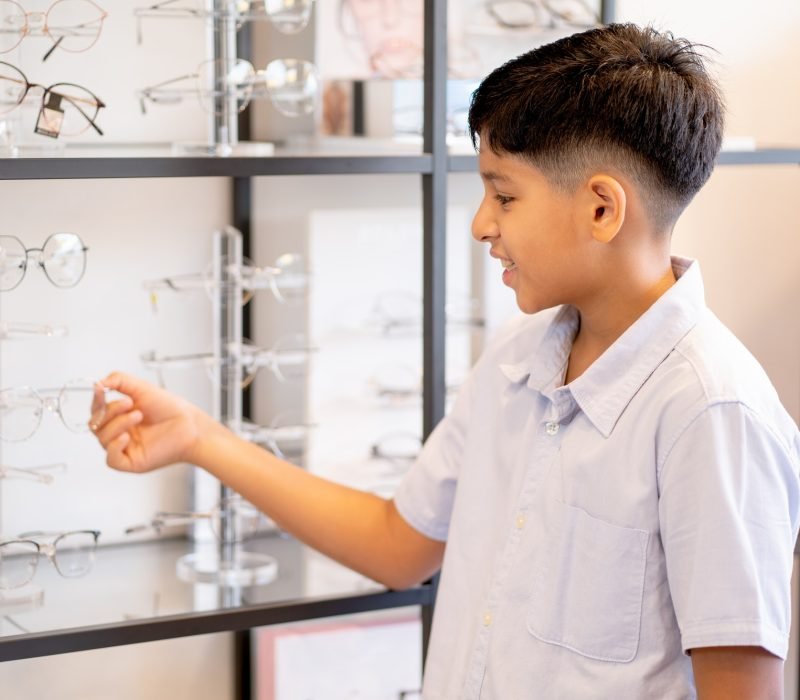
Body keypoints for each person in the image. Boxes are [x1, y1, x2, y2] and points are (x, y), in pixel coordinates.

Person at [90, 23, 800, 699]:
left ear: (602, 210)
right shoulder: (517, 361)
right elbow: (398, 544)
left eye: (504, 194)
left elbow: (740, 685)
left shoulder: (712, 411)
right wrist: (202, 439)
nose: (480, 224)